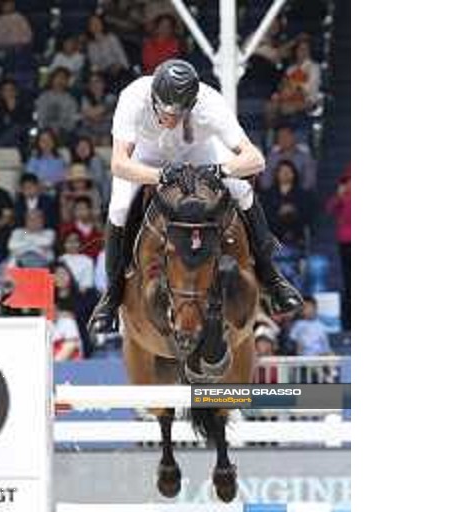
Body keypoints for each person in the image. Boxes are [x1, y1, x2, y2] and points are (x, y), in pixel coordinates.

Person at [88, 58, 303, 335]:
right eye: (166, 111)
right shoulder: (133, 97)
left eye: (179, 113)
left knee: (241, 190)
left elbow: (255, 160)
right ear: (154, 98)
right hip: (147, 155)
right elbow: (119, 163)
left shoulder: (210, 104)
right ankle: (111, 296)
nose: (171, 120)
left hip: (199, 152)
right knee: (119, 207)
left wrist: (220, 171)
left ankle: (272, 278)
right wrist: (160, 176)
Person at [261, 160, 313, 250]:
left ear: (294, 174)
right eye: (282, 171)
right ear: (277, 174)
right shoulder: (268, 194)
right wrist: (279, 212)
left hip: (297, 233)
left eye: (289, 171)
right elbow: (265, 213)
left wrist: (293, 211)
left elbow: (307, 214)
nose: (285, 174)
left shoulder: (303, 194)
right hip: (273, 233)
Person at [326, 165, 351, 330]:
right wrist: (340, 195)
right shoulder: (343, 196)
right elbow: (330, 209)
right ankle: (348, 323)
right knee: (349, 283)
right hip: (347, 241)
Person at [260, 125, 316, 191]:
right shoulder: (272, 158)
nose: (283, 139)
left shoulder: (305, 158)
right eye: (280, 137)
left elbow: (309, 182)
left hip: (300, 194)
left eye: (286, 136)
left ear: (293, 137)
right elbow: (265, 182)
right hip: (274, 193)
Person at [35, 67, 80, 144]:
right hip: (45, 131)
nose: (60, 81)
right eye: (58, 77)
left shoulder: (71, 100)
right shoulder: (43, 97)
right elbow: (40, 117)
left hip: (64, 132)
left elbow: (71, 122)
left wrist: (60, 129)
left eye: (63, 78)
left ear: (67, 82)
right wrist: (49, 129)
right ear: (52, 79)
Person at [85, 14, 130, 89]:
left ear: (102, 24)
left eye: (97, 22)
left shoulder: (111, 38)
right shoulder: (90, 45)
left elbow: (121, 56)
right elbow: (94, 64)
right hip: (103, 73)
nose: (95, 25)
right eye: (92, 24)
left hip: (118, 70)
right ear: (89, 27)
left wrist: (122, 66)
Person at [0, 78, 31, 151]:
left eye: (11, 90)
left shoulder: (24, 105)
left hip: (19, 139)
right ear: (1, 93)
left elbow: (25, 125)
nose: (8, 92)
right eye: (5, 90)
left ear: (16, 92)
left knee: (16, 128)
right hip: (1, 137)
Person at [52, 262, 84, 360]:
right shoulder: (49, 298)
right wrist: (60, 315)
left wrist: (61, 315)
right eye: (57, 275)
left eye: (63, 274)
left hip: (76, 338)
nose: (61, 277)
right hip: (54, 336)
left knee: (69, 323)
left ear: (70, 275)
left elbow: (80, 318)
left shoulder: (81, 296)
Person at [70, 135, 112, 206]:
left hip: (98, 193)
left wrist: (84, 177)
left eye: (85, 147)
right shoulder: (75, 163)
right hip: (79, 191)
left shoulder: (95, 160)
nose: (82, 149)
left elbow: (98, 179)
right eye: (80, 147)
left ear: (90, 148)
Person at [79, 72, 117, 146]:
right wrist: (96, 114)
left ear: (103, 84)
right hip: (90, 128)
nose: (94, 85)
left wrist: (93, 113)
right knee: (89, 139)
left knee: (105, 139)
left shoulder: (111, 97)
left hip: (106, 129)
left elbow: (96, 112)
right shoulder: (85, 97)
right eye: (91, 83)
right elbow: (90, 114)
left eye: (97, 82)